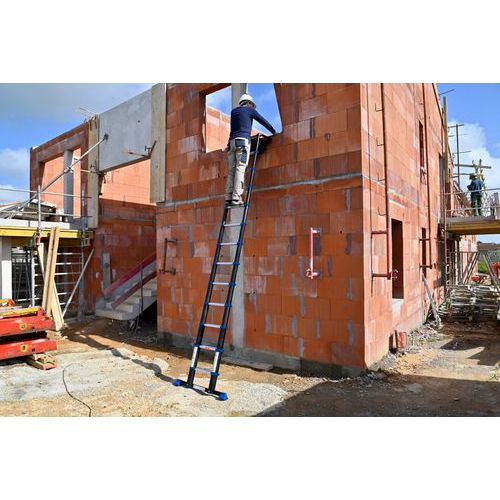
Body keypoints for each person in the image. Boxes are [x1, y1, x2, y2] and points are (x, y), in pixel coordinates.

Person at [225, 93, 276, 206]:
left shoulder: (234, 112)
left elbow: (233, 129)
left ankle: (228, 197)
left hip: (231, 144)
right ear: (248, 103)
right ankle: (236, 198)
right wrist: (273, 131)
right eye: (252, 105)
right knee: (240, 169)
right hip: (242, 143)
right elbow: (263, 121)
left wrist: (228, 144)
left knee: (231, 171)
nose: (253, 107)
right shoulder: (250, 110)